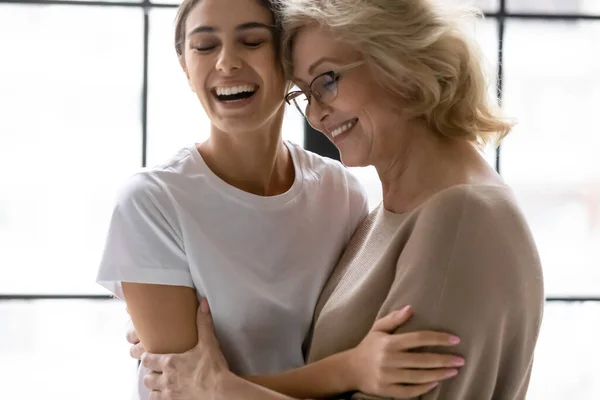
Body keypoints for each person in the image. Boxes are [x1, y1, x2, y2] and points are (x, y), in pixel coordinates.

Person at [128, 0, 546, 399]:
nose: (315, 114)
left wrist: (221, 391)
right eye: (306, 93)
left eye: (328, 79)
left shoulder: (461, 215)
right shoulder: (384, 212)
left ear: (400, 62)